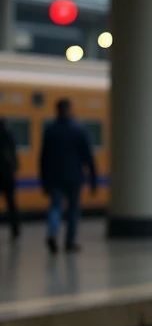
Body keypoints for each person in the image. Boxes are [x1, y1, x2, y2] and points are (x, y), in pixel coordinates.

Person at [40, 97, 96, 253]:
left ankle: (52, 234)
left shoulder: (50, 131)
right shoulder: (78, 130)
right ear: (70, 110)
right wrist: (93, 180)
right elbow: (88, 158)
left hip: (54, 178)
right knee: (73, 211)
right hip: (74, 178)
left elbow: (43, 158)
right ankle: (70, 242)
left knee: (55, 208)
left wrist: (44, 181)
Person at [0, 118, 19, 240]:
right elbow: (14, 155)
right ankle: (15, 229)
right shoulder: (8, 136)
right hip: (7, 175)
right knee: (11, 204)